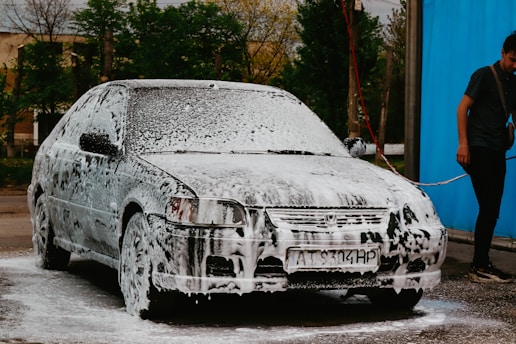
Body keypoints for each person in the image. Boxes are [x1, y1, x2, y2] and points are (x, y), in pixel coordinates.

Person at [456, 32, 516, 283]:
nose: (515, 65)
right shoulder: (483, 75)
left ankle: (482, 263)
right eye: (513, 59)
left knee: (493, 209)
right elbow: (462, 108)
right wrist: (463, 144)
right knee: (488, 206)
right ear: (503, 53)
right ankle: (479, 266)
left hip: (498, 151)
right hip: (478, 148)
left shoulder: (514, 83)